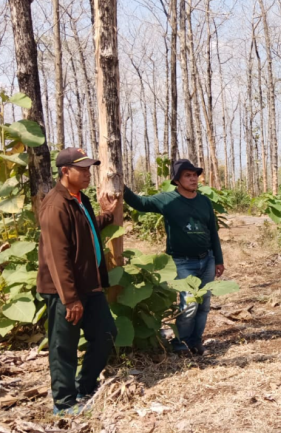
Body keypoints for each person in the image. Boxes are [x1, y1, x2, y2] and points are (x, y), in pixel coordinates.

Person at [37, 147, 118, 415]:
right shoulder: (55, 205)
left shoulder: (79, 199)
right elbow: (57, 257)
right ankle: (64, 403)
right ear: (65, 171)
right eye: (81, 170)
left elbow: (86, 228)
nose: (87, 174)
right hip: (65, 291)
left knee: (106, 333)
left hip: (89, 285)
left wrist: (107, 214)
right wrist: (69, 299)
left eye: (89, 169)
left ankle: (85, 386)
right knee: (64, 347)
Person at [123, 159, 225, 355]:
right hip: (182, 261)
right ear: (177, 180)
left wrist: (218, 259)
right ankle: (180, 344)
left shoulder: (204, 201)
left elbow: (213, 232)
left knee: (203, 304)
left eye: (195, 175)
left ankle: (195, 342)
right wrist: (121, 185)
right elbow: (140, 203)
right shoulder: (167, 200)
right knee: (189, 305)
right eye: (188, 175)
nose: (193, 178)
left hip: (207, 259)